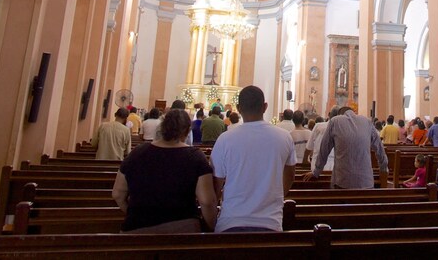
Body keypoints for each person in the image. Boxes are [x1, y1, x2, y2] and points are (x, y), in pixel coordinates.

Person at [112, 109, 218, 233]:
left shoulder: (137, 152)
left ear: (162, 127)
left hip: (137, 231)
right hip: (183, 231)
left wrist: (137, 215)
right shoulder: (195, 157)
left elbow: (117, 194)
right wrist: (210, 227)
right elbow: (206, 201)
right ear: (187, 131)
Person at [210, 85, 295, 232]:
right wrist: (274, 197)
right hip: (271, 223)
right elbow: (289, 176)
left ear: (238, 108)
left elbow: (216, 186)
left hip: (231, 222)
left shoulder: (225, 139)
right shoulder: (284, 137)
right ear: (265, 107)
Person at [307, 105, 389, 189]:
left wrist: (316, 172)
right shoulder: (367, 122)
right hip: (366, 182)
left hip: (342, 182)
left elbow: (324, 150)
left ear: (340, 115)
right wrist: (383, 169)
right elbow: (380, 149)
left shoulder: (335, 122)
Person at [304, 107, 339, 172]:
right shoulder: (342, 129)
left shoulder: (318, 126)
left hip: (317, 164)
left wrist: (305, 160)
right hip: (334, 166)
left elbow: (309, 147)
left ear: (329, 114)